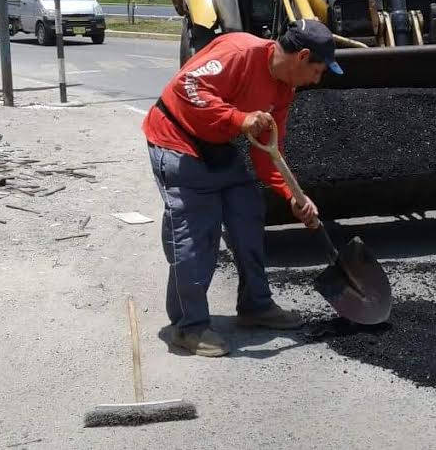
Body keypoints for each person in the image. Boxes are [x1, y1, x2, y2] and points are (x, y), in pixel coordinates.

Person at [143, 19, 342, 356]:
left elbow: (268, 154)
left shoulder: (283, 89)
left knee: (247, 214)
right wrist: (239, 119)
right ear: (302, 56)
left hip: (218, 146)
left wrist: (294, 196)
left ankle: (255, 305)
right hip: (178, 141)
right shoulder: (240, 52)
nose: (316, 80)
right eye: (317, 70)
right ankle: (187, 327)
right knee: (195, 234)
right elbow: (187, 87)